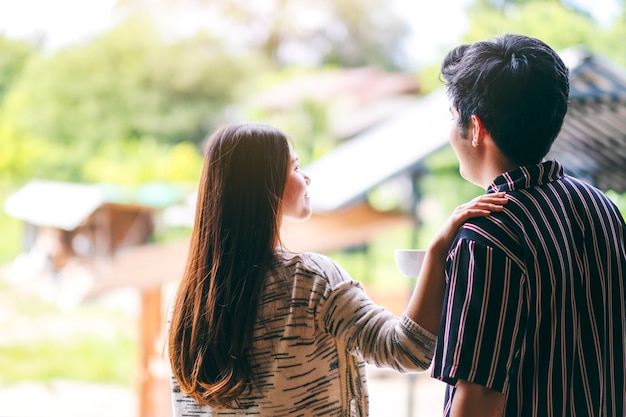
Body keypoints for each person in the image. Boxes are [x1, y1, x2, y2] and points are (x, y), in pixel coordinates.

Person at [167, 122, 508, 416]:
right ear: (266, 186)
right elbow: (408, 350)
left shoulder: (187, 306)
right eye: (295, 167)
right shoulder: (311, 281)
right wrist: (437, 251)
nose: (307, 177)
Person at [430, 33, 626, 417]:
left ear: (475, 127)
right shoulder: (603, 209)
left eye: (453, 118)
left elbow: (480, 398)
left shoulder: (488, 235)